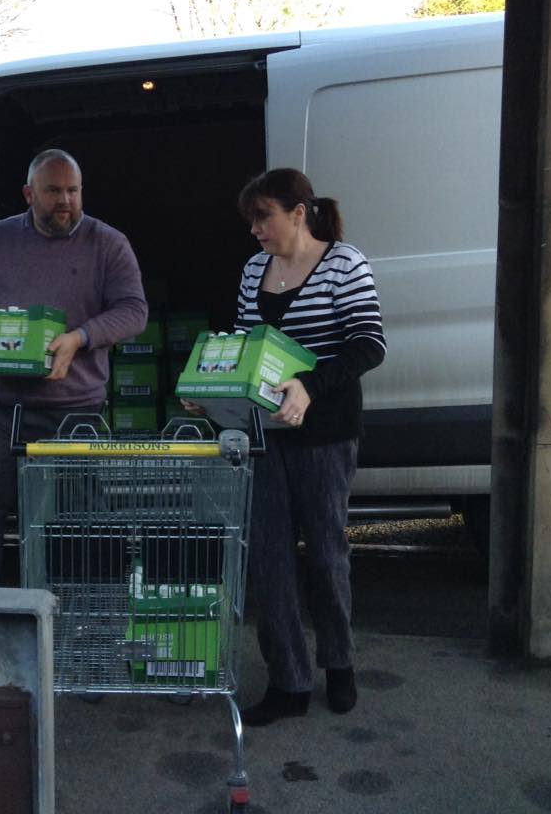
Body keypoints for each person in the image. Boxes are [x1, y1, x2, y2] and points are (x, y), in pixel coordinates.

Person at [226, 167, 385, 725]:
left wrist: (308, 386)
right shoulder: (252, 271)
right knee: (269, 561)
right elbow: (248, 345)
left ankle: (339, 664)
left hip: (326, 436)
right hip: (265, 438)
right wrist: (217, 387)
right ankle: (288, 683)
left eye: (263, 216)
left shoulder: (344, 263)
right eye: (251, 220)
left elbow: (369, 344)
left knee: (324, 555)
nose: (255, 230)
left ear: (298, 212)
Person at [0, 148, 148, 586]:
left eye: (73, 191)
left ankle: (81, 624)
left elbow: (134, 311)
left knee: (83, 524)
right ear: (28, 194)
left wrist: (79, 338)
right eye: (53, 191)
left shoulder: (107, 243)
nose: (66, 201)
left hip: (73, 411)